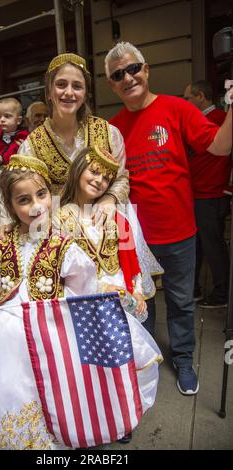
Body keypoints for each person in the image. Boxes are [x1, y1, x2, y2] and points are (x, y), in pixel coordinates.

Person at [0, 155, 99, 450]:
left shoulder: (64, 245)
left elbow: (86, 294)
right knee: (8, 392)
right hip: (0, 333)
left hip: (52, 333)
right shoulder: (1, 242)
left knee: (51, 394)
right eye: (24, 200)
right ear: (11, 207)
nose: (36, 206)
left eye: (41, 195)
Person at [105, 41, 232, 396]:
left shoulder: (177, 109)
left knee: (180, 301)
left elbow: (220, 146)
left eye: (132, 69)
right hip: (135, 239)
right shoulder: (113, 129)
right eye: (118, 75)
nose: (127, 78)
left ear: (145, 70)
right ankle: (148, 361)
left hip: (178, 231)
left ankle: (183, 358)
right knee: (140, 302)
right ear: (112, 85)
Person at [58, 146, 163, 443]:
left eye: (106, 177)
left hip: (117, 302)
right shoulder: (56, 216)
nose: (99, 180)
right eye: (94, 171)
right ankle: (92, 418)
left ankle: (122, 416)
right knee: (88, 364)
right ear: (77, 169)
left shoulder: (117, 217)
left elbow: (129, 258)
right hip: (80, 301)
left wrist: (134, 289)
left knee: (120, 360)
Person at [18, 53, 129, 222]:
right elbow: (20, 191)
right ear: (48, 92)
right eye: (61, 85)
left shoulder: (109, 133)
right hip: (57, 231)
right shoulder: (31, 146)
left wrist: (110, 198)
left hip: (103, 224)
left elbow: (121, 178)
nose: (69, 92)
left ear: (85, 94)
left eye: (77, 86)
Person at [183, 80, 231, 308]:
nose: (186, 102)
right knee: (200, 245)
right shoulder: (205, 121)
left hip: (210, 194)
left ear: (200, 96)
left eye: (188, 98)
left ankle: (223, 294)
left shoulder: (219, 120)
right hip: (200, 193)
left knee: (213, 246)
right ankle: (194, 289)